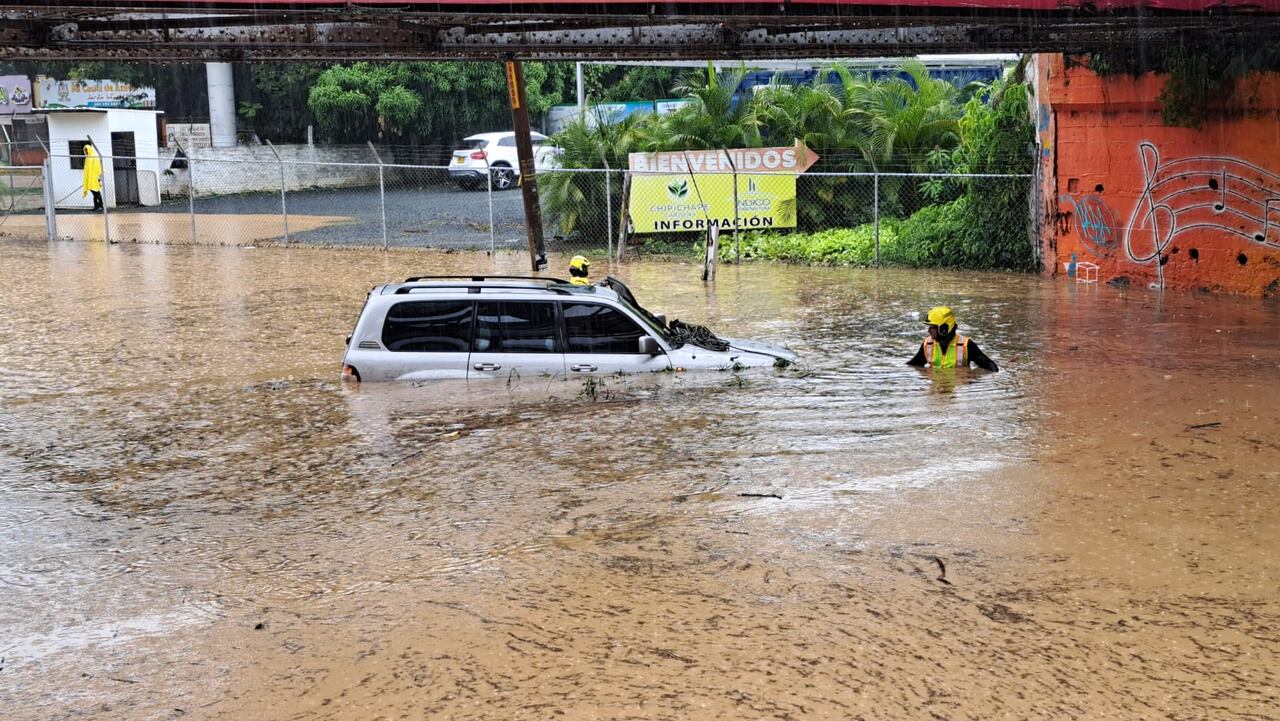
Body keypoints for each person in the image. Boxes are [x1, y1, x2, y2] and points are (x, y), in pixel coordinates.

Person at [907, 306, 999, 371]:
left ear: (944, 328)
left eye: (932, 327)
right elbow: (914, 365)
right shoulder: (927, 344)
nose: (929, 331)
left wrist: (971, 377)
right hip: (935, 391)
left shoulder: (966, 345)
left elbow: (991, 366)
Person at [82, 140, 103, 211]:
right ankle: (96, 206)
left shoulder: (94, 157)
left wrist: (98, 177)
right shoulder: (87, 159)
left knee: (97, 192)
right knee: (94, 194)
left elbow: (98, 168)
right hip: (90, 179)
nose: (86, 152)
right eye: (85, 150)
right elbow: (87, 170)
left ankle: (101, 206)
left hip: (95, 178)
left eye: (87, 150)